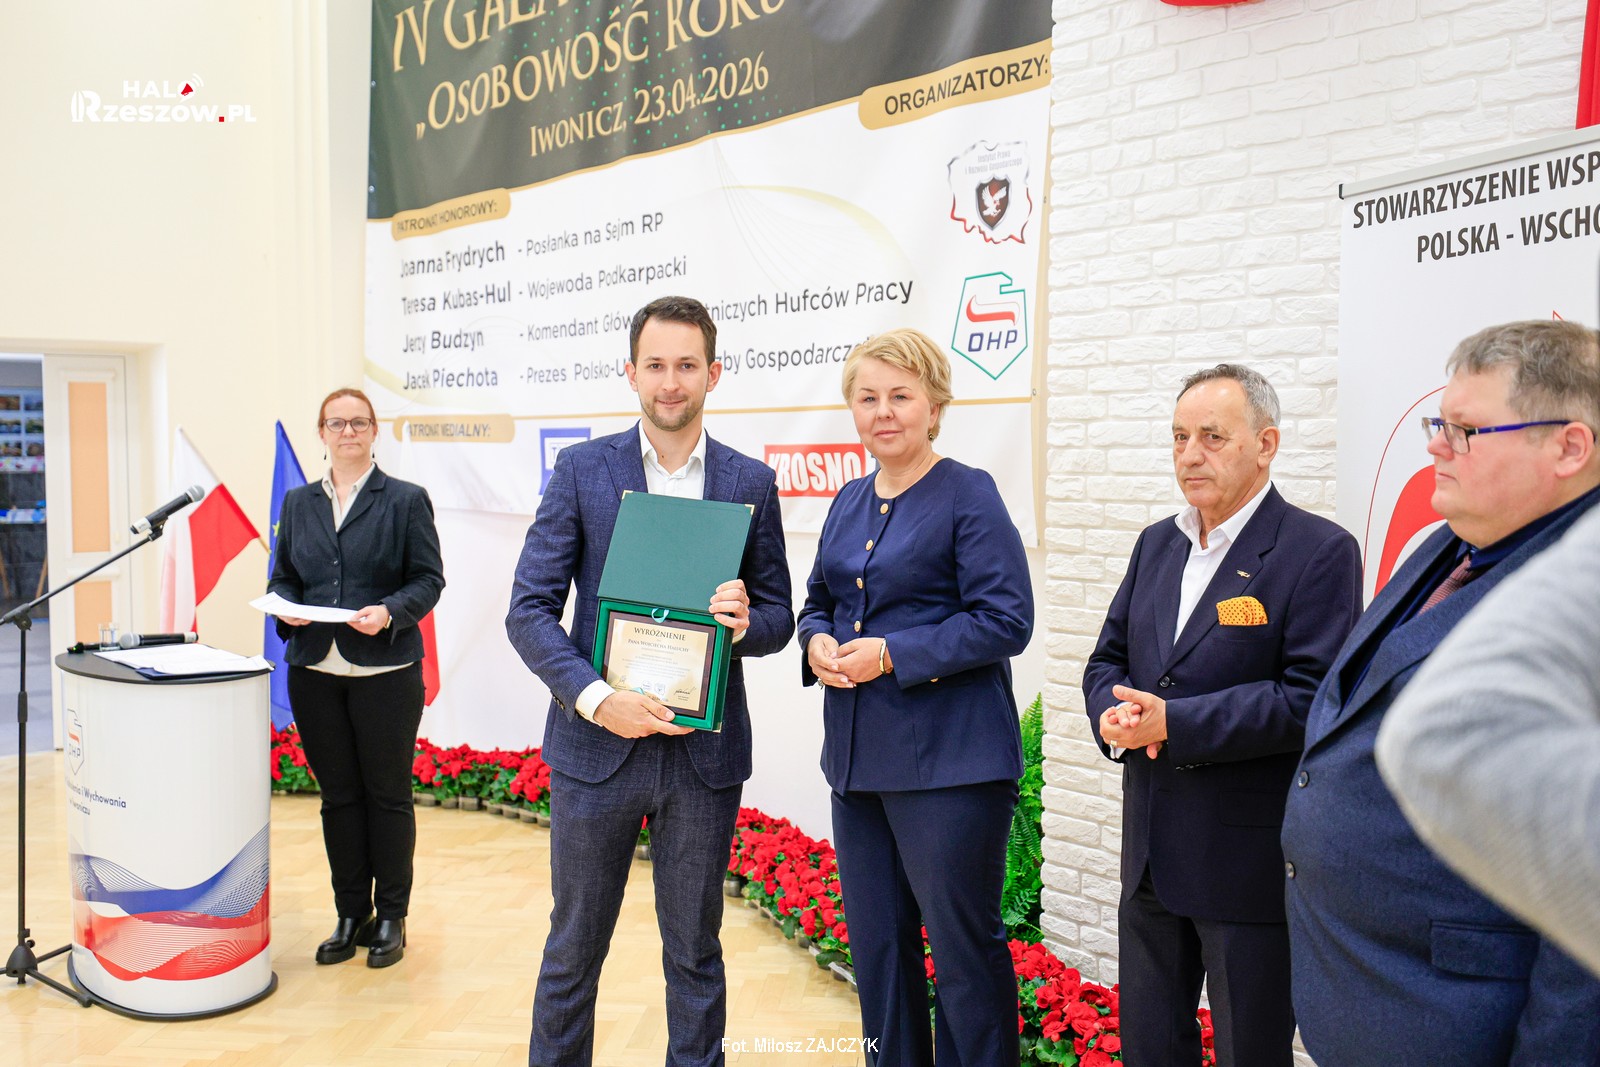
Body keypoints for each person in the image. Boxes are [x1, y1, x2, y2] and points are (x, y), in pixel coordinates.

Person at [1282, 319, 1600, 1064]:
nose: (1436, 447)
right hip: (1365, 1000)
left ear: (1569, 447)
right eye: (1439, 424)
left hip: (1463, 1025)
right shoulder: (1446, 544)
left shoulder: (1581, 598)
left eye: (1466, 431)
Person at [505, 295, 793, 1067]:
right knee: (573, 949)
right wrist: (599, 699)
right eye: (656, 365)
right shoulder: (582, 470)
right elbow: (528, 610)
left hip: (702, 760)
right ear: (631, 372)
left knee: (695, 951)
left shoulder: (750, 481)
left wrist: (746, 621)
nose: (671, 382)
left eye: (687, 365)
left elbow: (779, 617)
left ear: (713, 374)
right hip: (596, 750)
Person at [1082, 364, 1362, 1066]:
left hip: (1244, 864)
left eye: (1212, 436)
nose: (1190, 454)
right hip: (1149, 854)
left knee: (1249, 1052)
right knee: (1149, 1049)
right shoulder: (1157, 542)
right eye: (1179, 437)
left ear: (1266, 444)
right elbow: (1106, 661)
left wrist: (1173, 723)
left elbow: (1309, 698)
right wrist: (1112, 714)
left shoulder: (1319, 551)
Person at [797, 328, 1033, 1067]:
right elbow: (818, 603)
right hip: (857, 766)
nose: (883, 412)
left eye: (900, 396)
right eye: (868, 398)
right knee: (878, 952)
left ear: (935, 406)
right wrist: (815, 642)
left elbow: (1006, 620)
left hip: (952, 768)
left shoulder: (968, 492)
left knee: (963, 955)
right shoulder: (848, 499)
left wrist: (893, 652)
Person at [1376, 503, 1600, 978]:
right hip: (1374, 966)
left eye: (1467, 434)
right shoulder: (1446, 547)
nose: (1438, 459)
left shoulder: (1569, 559)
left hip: (1465, 979)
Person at [268, 387, 445, 968]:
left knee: (387, 797)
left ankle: (391, 916)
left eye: (359, 422)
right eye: (337, 423)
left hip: (386, 672)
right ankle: (351, 913)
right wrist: (286, 607)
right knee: (338, 798)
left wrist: (390, 611)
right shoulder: (298, 503)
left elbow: (428, 580)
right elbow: (284, 577)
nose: (348, 432)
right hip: (314, 671)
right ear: (321, 432)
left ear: (374, 431)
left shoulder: (405, 500)